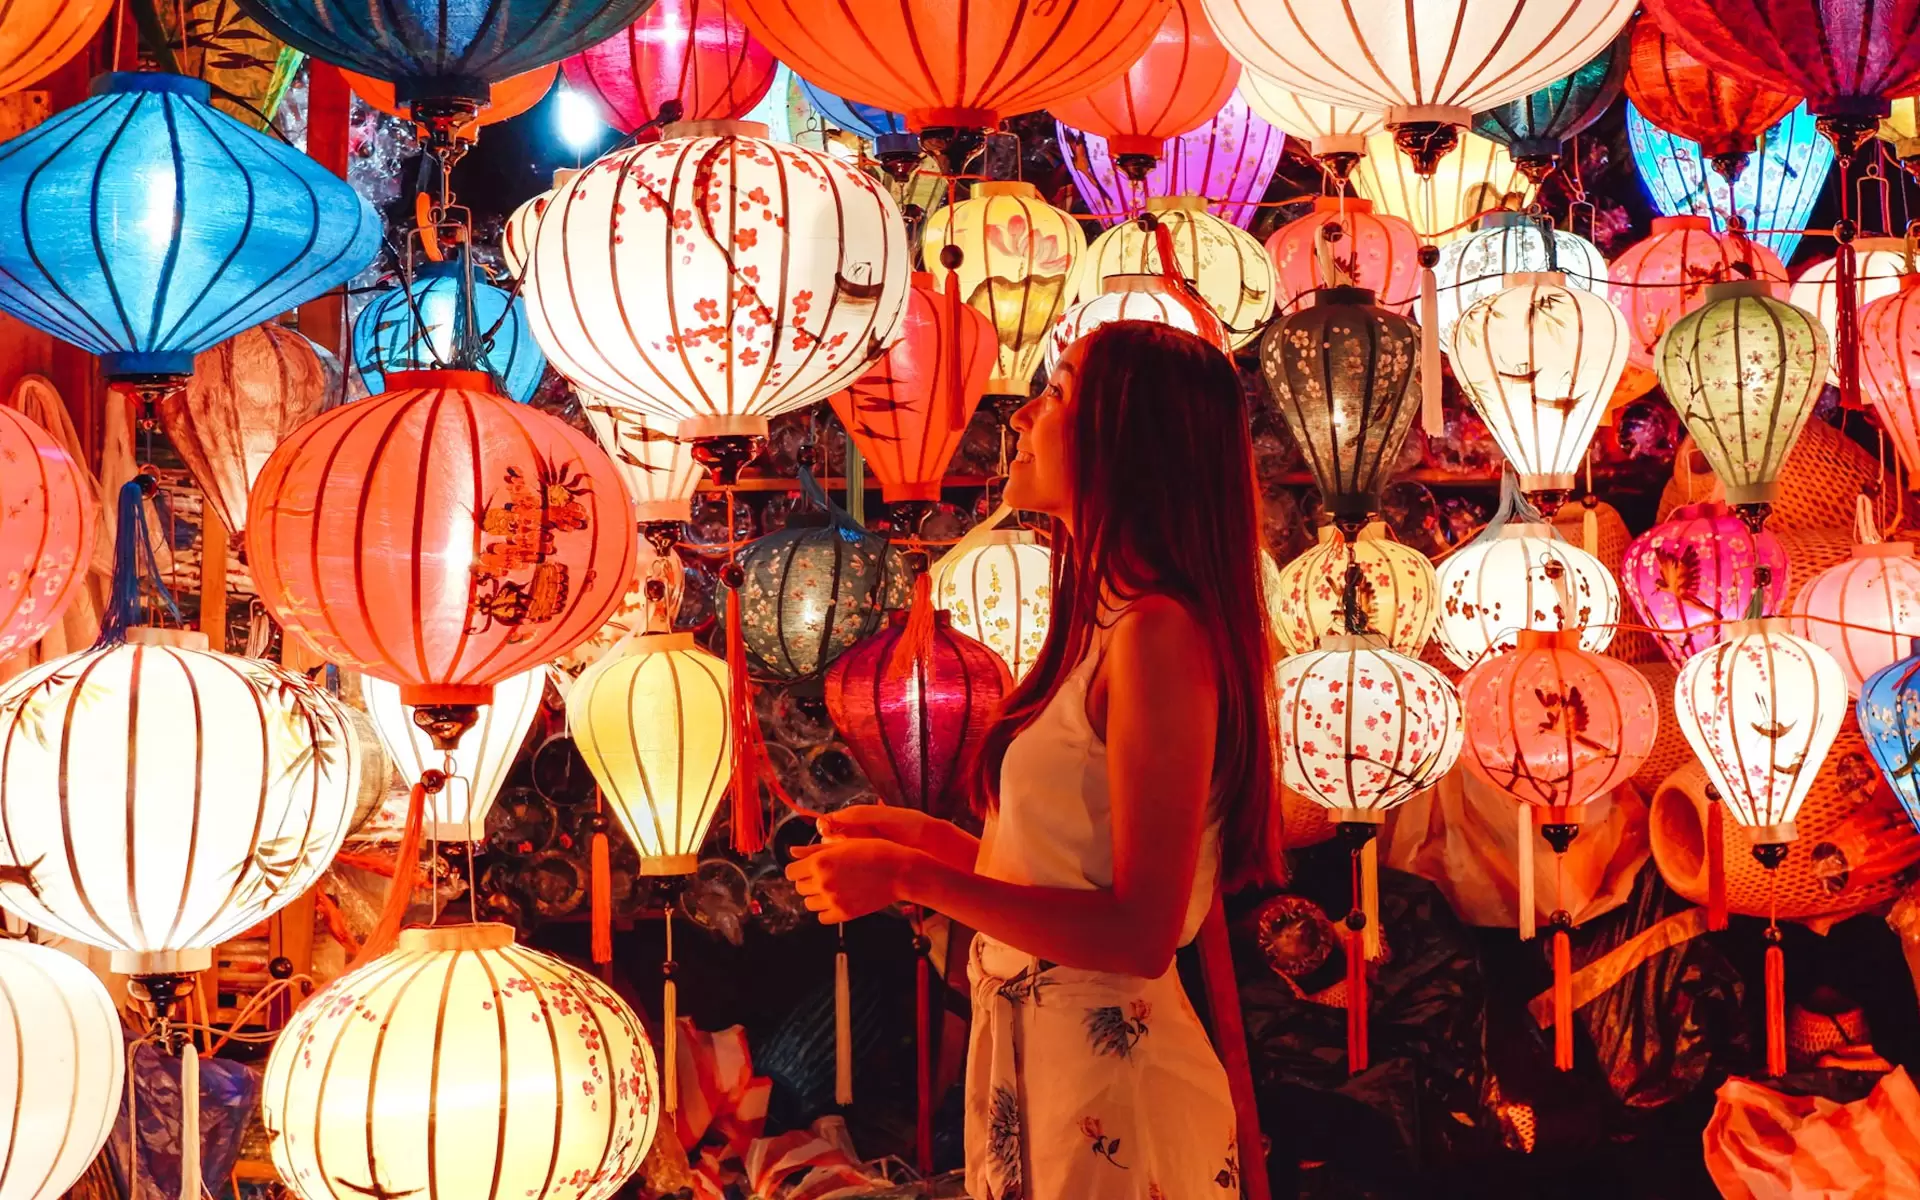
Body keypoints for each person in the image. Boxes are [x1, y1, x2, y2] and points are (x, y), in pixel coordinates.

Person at [786, 320, 1280, 1199]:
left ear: (1124, 439)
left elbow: (1139, 933)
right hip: (1040, 1065)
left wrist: (910, 876)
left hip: (1111, 1091)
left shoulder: (1159, 634)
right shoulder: (1106, 624)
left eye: (1057, 393)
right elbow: (1067, 882)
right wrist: (931, 842)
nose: (1022, 419)